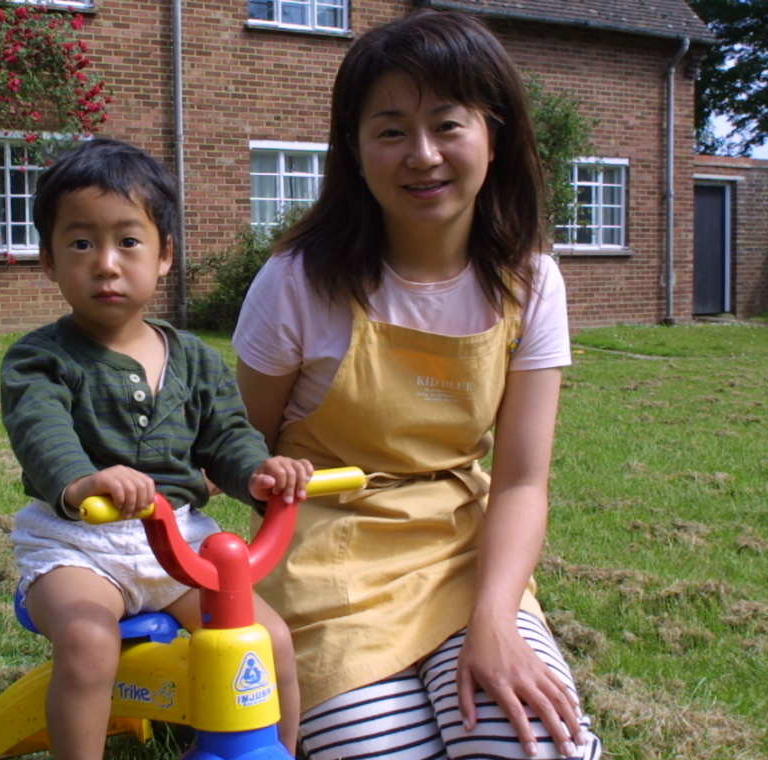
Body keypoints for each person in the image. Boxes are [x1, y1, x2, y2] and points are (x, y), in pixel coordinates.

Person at [233, 11, 602, 760]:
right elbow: (240, 449)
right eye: (392, 129)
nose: (422, 155)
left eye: (448, 124)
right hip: (327, 560)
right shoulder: (297, 282)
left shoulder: (532, 282)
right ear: (356, 150)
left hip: (467, 550)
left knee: (537, 747)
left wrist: (496, 621)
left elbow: (524, 481)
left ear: (493, 136)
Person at [0, 138, 316, 760]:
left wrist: (259, 471)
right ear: (49, 260)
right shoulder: (40, 357)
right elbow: (41, 431)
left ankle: (277, 750)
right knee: (91, 642)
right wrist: (83, 481)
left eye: (128, 241)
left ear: (165, 255)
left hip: (180, 546)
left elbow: (227, 436)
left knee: (267, 638)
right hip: (78, 546)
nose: (106, 263)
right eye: (82, 243)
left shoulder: (195, 358)